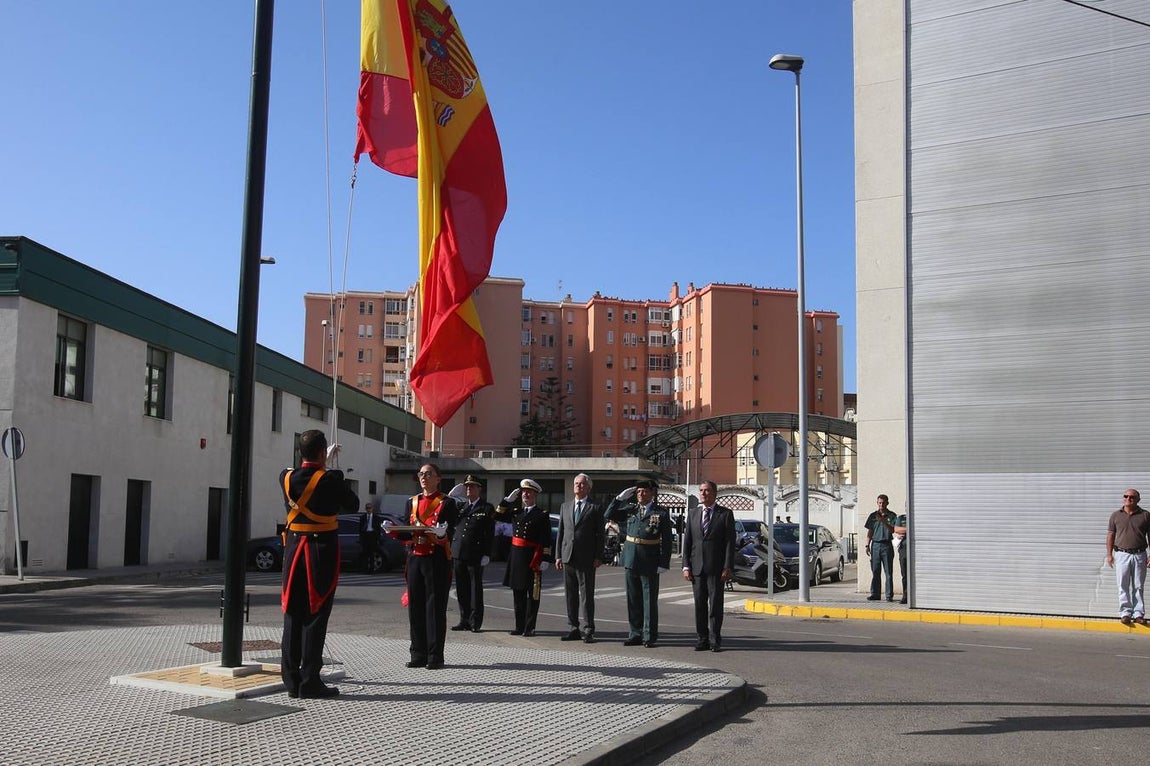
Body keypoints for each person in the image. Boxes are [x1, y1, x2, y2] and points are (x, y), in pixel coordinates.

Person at [278, 429, 358, 698]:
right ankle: (310, 681)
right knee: (315, 615)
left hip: (293, 552)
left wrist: (326, 468)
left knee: (292, 614)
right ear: (324, 452)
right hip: (318, 551)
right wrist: (335, 472)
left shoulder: (285, 476)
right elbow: (352, 504)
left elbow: (306, 478)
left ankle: (291, 680)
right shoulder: (329, 479)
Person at [389, 463, 462, 669]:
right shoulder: (411, 502)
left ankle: (435, 656)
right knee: (416, 608)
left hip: (436, 558)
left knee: (435, 609)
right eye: (421, 474)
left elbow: (451, 532)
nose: (424, 477)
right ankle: (417, 653)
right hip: (415, 558)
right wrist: (393, 530)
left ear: (438, 478)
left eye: (429, 474)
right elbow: (408, 531)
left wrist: (442, 535)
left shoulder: (447, 503)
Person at [605, 479, 673, 647]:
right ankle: (635, 633)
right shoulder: (631, 509)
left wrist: (664, 562)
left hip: (650, 559)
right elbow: (608, 515)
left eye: (645, 491)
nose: (641, 494)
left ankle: (649, 635)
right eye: (638, 492)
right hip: (631, 558)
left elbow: (667, 541)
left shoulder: (661, 513)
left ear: (652, 494)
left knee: (649, 600)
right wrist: (619, 499)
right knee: (633, 598)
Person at [681, 480, 736, 652]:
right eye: (701, 490)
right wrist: (686, 566)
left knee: (715, 606)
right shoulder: (693, 514)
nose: (703, 494)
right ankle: (702, 639)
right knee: (699, 605)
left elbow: (729, 542)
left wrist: (727, 566)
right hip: (697, 568)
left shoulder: (725, 514)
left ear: (714, 493)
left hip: (717, 568)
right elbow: (687, 542)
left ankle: (715, 639)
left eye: (707, 491)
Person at [496, 478, 553, 636]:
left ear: (535, 495)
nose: (525, 494)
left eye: (529, 492)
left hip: (532, 558)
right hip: (516, 557)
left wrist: (545, 559)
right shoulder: (516, 513)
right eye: (523, 492)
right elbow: (498, 516)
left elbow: (545, 539)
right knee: (517, 594)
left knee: (532, 595)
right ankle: (519, 626)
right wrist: (507, 501)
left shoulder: (541, 515)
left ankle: (530, 627)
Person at [555, 473, 605, 643]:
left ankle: (589, 629)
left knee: (586, 596)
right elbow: (561, 533)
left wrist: (599, 556)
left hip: (586, 558)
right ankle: (573, 628)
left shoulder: (595, 508)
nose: (579, 486)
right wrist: (558, 556)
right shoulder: (565, 507)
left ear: (588, 488)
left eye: (582, 484)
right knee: (570, 595)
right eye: (576, 483)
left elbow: (600, 535)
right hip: (568, 556)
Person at [450, 475, 494, 633]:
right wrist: (449, 497)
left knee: (475, 589)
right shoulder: (460, 506)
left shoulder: (486, 508)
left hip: (475, 554)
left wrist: (487, 553)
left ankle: (475, 622)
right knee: (462, 589)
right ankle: (464, 620)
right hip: (458, 552)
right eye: (467, 486)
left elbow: (489, 533)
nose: (469, 489)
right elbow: (445, 515)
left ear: (479, 489)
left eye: (472, 486)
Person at [1106, 489, 1150, 626]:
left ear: (1138, 499)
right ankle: (1125, 612)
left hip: (1139, 554)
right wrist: (1109, 554)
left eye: (1132, 497)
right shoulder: (1115, 515)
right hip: (1122, 554)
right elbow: (1111, 535)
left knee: (1138, 586)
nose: (1128, 499)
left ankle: (1138, 613)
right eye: (1126, 496)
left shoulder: (1145, 515)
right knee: (1122, 584)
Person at [864, 494, 896, 601]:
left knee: (888, 572)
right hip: (876, 545)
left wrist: (883, 521)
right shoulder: (873, 516)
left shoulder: (891, 515)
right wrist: (867, 545)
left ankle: (888, 595)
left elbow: (893, 530)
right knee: (875, 571)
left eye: (883, 503)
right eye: (879, 503)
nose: (881, 505)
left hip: (886, 545)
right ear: (877, 503)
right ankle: (875, 594)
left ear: (887, 503)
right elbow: (870, 531)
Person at [358, 502, 381, 574]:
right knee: (365, 554)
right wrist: (361, 538)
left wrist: (377, 538)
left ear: (372, 509)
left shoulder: (376, 517)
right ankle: (364, 569)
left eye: (370, 508)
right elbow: (360, 528)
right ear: (365, 509)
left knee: (372, 554)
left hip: (372, 536)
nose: (369, 509)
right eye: (367, 508)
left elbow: (378, 529)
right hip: (365, 535)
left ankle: (371, 569)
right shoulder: (363, 517)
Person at [894, 509, 909, 604]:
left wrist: (904, 530)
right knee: (905, 574)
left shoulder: (917, 517)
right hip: (903, 549)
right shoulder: (901, 518)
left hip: (916, 550)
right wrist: (910, 529)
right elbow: (896, 529)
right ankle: (905, 595)